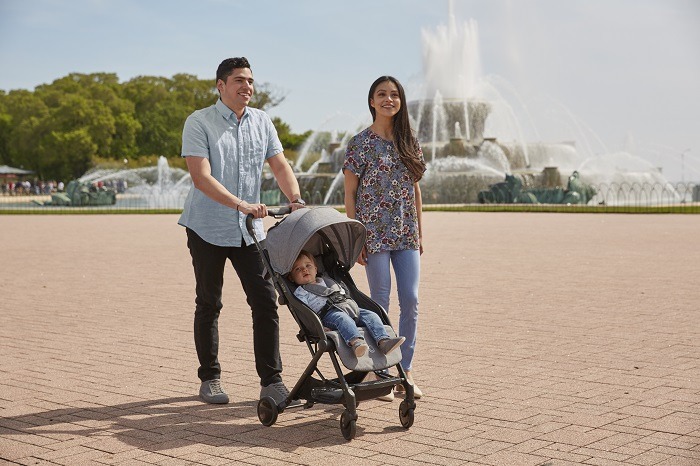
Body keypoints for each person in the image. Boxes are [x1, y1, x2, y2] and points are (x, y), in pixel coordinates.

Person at [179, 57, 307, 405]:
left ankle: (272, 382)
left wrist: (295, 198)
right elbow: (201, 177)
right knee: (210, 302)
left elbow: (280, 165)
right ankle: (210, 378)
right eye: (238, 80)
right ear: (220, 86)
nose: (246, 87)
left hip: (249, 230)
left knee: (265, 301)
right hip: (206, 226)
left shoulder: (262, 121)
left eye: (250, 81)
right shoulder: (199, 122)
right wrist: (241, 204)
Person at [343, 75, 427, 400]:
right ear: (372, 101)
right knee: (379, 301)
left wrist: (421, 231)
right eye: (382, 94)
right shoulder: (360, 142)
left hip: (407, 233)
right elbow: (350, 194)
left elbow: (416, 189)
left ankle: (403, 373)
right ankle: (380, 373)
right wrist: (355, 237)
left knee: (412, 301)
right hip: (373, 234)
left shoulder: (409, 141)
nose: (388, 99)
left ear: (401, 101)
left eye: (394, 95)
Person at [288, 250, 405, 356]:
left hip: (348, 307)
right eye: (298, 269)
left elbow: (343, 292)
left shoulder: (327, 281)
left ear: (316, 268)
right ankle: (356, 342)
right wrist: (319, 327)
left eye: (308, 265)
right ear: (291, 278)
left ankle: (383, 341)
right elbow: (304, 312)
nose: (304, 269)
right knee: (342, 319)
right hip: (328, 314)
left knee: (371, 315)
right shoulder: (301, 292)